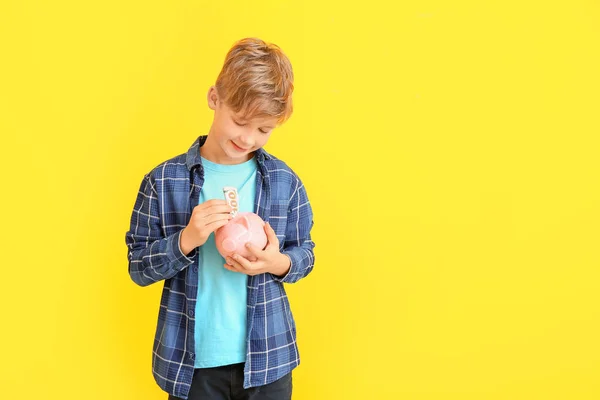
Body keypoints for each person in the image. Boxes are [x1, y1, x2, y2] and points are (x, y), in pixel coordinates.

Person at [125, 37, 316, 400]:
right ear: (215, 99)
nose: (247, 138)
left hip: (268, 360)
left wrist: (277, 262)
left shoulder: (283, 182)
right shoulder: (164, 181)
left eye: (263, 130)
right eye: (240, 121)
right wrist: (186, 240)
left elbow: (305, 253)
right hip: (193, 366)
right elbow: (138, 267)